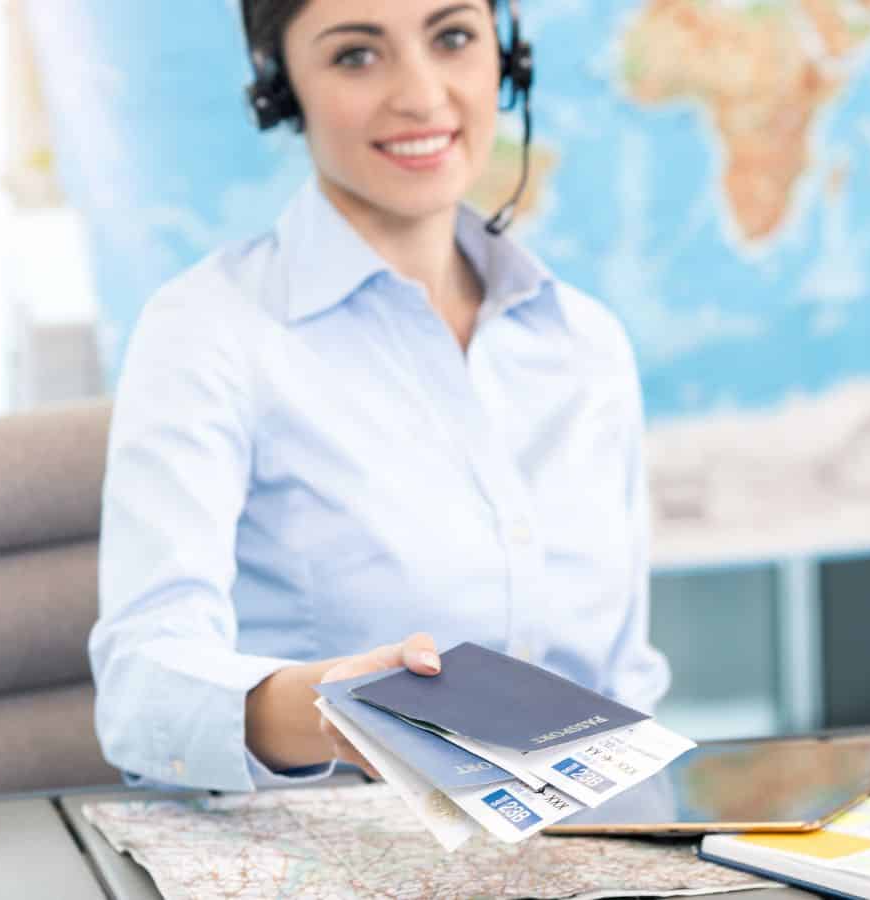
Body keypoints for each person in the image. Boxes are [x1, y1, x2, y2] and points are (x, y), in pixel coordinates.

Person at [89, 0, 670, 792]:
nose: (423, 95)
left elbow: (624, 687)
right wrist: (331, 713)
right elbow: (140, 690)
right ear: (280, 86)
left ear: (510, 58)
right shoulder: (209, 333)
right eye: (358, 56)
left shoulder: (582, 343)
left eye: (454, 37)